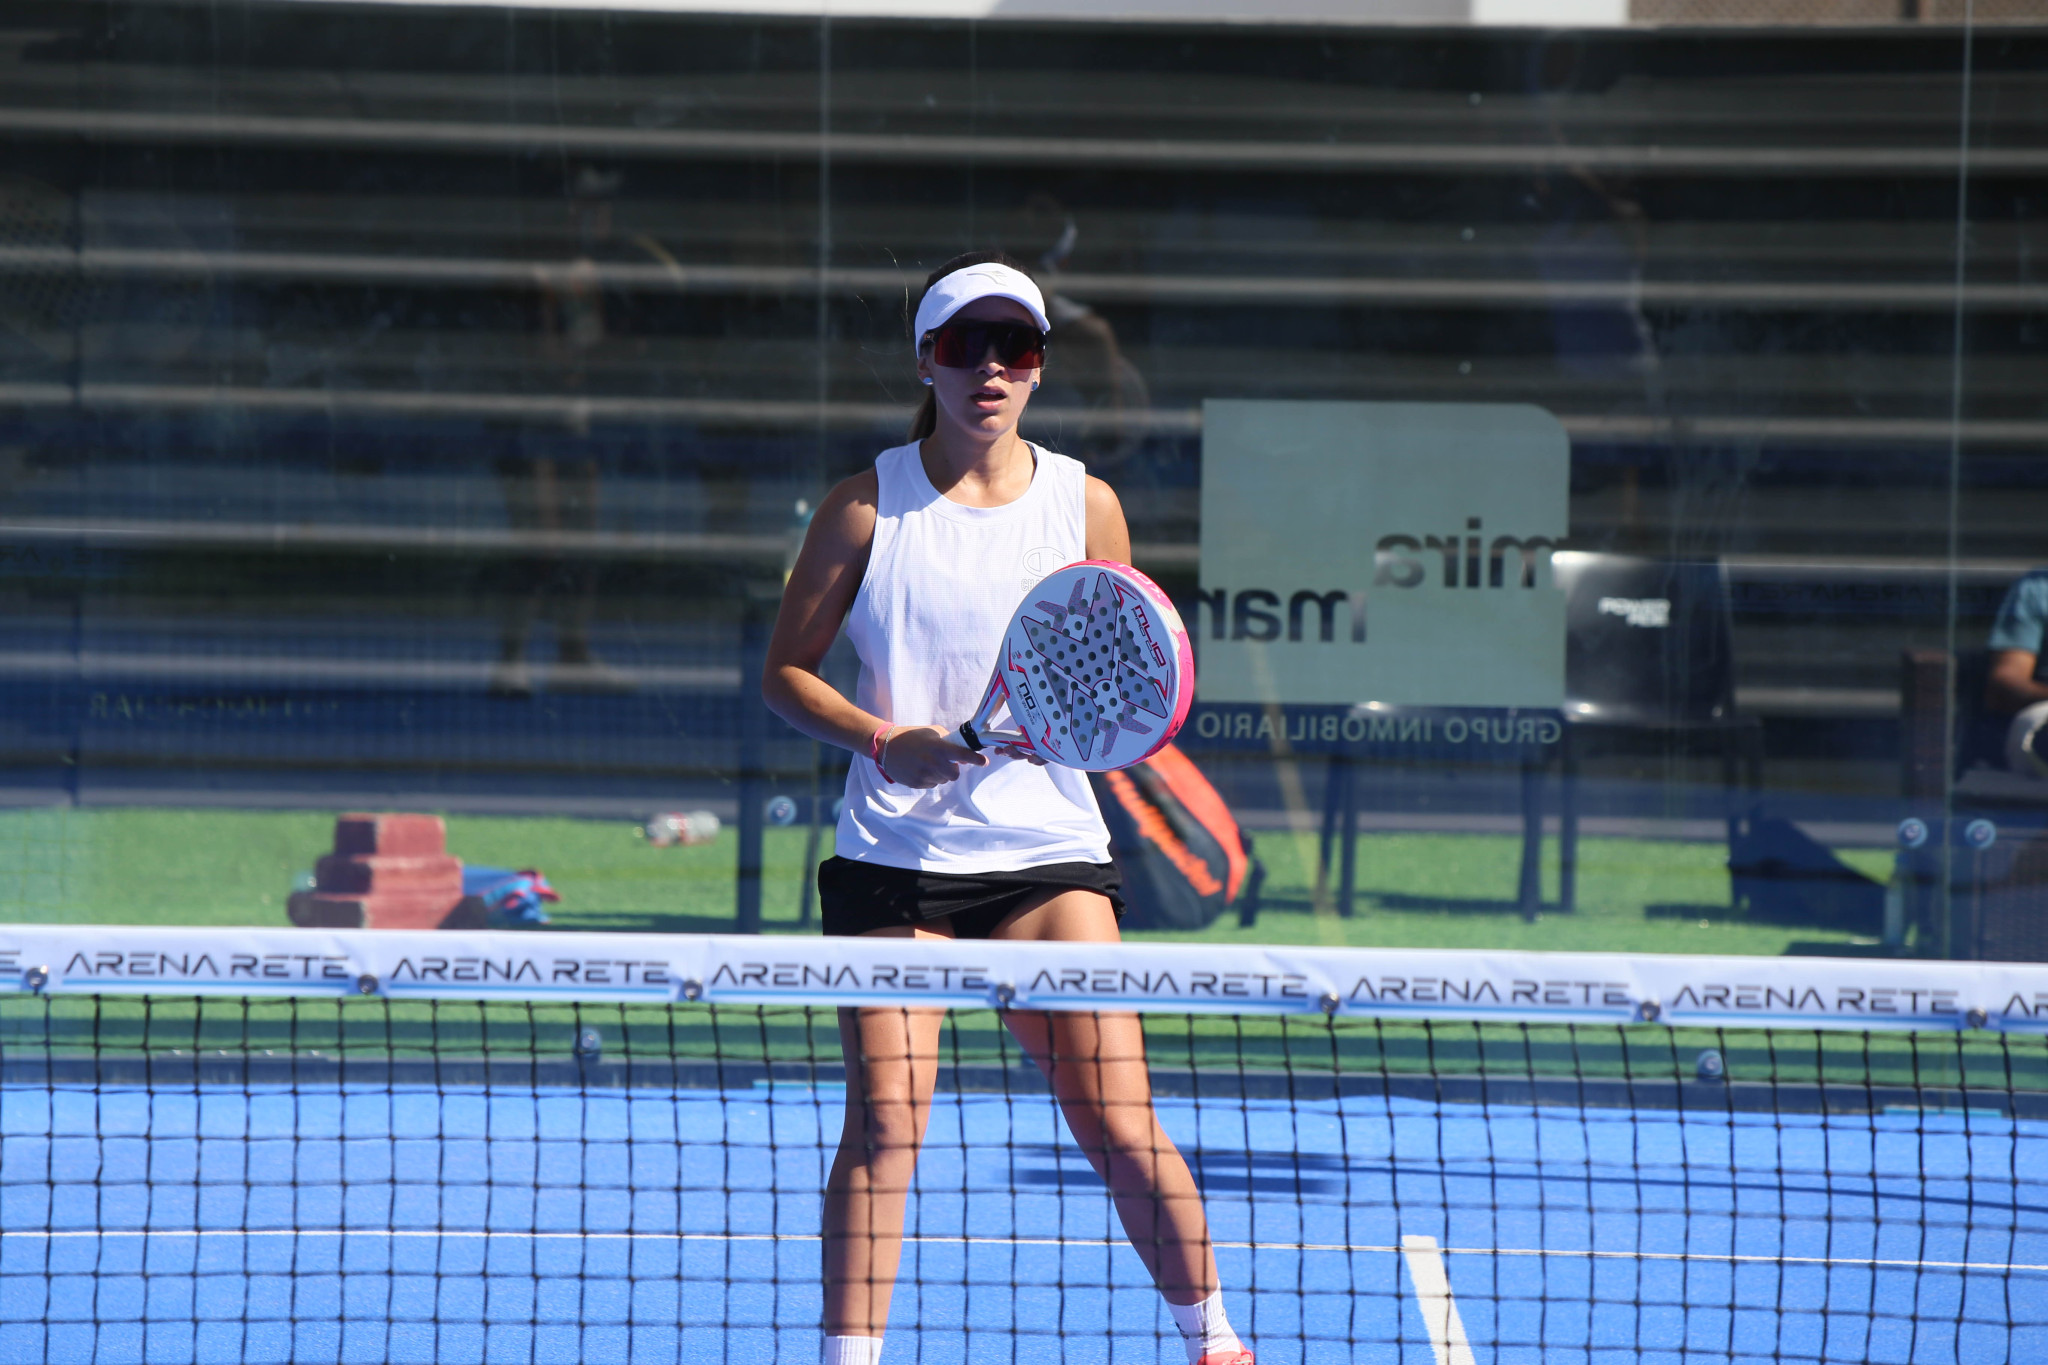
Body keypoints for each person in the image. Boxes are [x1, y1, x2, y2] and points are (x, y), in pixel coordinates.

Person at [762, 253, 1252, 1365]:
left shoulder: (1087, 503)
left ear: (1037, 366)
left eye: (1014, 347)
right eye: (963, 345)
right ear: (925, 362)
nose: (989, 368)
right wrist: (884, 739)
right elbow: (785, 674)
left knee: (1116, 1117)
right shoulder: (861, 507)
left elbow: (1121, 664)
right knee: (887, 1123)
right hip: (893, 862)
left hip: (1048, 859)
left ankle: (1216, 1341)